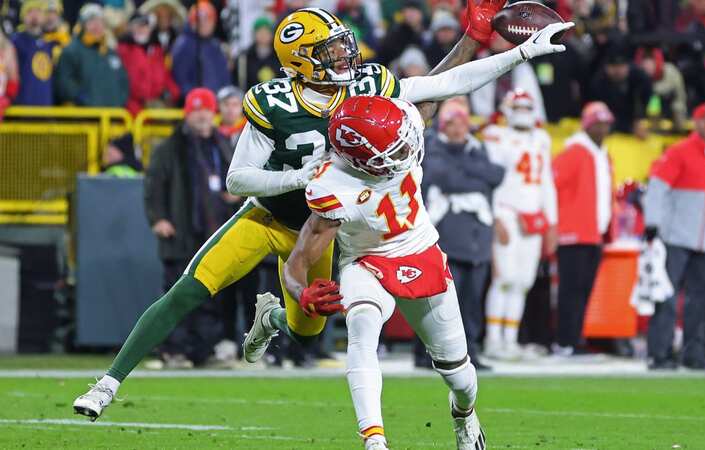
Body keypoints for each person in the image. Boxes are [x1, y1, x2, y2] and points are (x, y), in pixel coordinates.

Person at [73, 2, 569, 420]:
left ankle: (269, 320)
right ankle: (107, 384)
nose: (344, 54)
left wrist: (519, 52)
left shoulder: (368, 85)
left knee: (306, 333)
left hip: (321, 230)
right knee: (187, 292)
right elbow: (236, 178)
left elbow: (445, 85)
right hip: (266, 217)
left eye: (341, 44)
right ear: (300, 62)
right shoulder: (272, 101)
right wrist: (299, 177)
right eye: (329, 51)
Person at [281, 94, 488, 450]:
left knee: (460, 376)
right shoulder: (334, 186)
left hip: (420, 252)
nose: (406, 149)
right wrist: (301, 292)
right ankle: (374, 441)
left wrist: (481, 42)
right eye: (393, 149)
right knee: (361, 325)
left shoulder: (396, 126)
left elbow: (444, 81)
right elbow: (296, 261)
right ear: (360, 160)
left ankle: (464, 415)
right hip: (367, 261)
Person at [143, 88, 239, 368]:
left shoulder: (222, 145)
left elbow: (238, 178)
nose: (201, 115)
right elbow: (153, 188)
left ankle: (204, 350)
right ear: (187, 113)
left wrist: (236, 194)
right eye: (196, 110)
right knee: (176, 295)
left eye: (206, 109)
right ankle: (174, 350)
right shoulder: (170, 147)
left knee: (209, 296)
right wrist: (158, 218)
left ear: (213, 112)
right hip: (180, 231)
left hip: (213, 233)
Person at [643, 103, 705, 370]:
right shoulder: (679, 152)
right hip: (676, 237)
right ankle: (660, 353)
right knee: (666, 296)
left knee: (700, 300)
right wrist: (653, 223)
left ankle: (693, 353)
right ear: (695, 123)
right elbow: (657, 187)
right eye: (704, 120)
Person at [422, 98, 504, 370]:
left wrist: (465, 172)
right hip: (447, 236)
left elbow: (496, 175)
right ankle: (427, 353)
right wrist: (474, 178)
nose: (459, 130)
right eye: (453, 124)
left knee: (472, 300)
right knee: (441, 300)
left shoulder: (475, 149)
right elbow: (443, 177)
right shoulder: (433, 148)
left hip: (476, 238)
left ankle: (471, 353)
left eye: (463, 124)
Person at [482, 89, 557, 361]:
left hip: (533, 215)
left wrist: (552, 222)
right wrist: (495, 217)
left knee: (523, 281)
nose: (524, 111)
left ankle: (510, 341)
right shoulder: (496, 136)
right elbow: (489, 181)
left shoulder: (542, 139)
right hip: (507, 213)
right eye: (519, 106)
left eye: (528, 106)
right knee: (504, 278)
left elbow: (546, 181)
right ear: (507, 108)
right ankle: (493, 340)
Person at [551, 101, 614, 356]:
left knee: (583, 290)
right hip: (572, 233)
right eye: (597, 124)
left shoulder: (602, 154)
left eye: (605, 123)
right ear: (587, 125)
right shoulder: (575, 152)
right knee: (571, 291)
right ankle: (565, 341)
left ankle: (575, 339)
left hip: (593, 233)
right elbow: (552, 183)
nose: (602, 128)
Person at [53, 3, 128, 107]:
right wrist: (84, 99)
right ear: (82, 25)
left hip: (112, 118)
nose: (96, 25)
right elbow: (64, 84)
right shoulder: (71, 51)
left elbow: (123, 83)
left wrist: (118, 102)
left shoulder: (111, 53)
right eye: (91, 21)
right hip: (84, 119)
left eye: (100, 21)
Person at [117, 11, 179, 115]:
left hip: (156, 108)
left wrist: (173, 94)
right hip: (132, 110)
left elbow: (166, 77)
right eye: (137, 26)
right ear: (129, 29)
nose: (142, 29)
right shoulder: (123, 51)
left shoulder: (157, 51)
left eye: (145, 26)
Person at [170, 1, 231, 100]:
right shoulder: (183, 45)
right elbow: (180, 81)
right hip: (195, 105)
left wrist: (223, 98)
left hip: (217, 105)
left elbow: (225, 78)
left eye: (208, 20)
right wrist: (197, 98)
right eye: (200, 20)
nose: (204, 24)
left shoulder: (215, 45)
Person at [11, 0, 57, 106]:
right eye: (30, 11)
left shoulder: (50, 43)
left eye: (38, 11)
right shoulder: (15, 41)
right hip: (22, 108)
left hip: (45, 107)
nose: (34, 15)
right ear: (23, 16)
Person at [233, 17, 282, 90]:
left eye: (266, 32)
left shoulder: (280, 56)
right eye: (260, 32)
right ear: (254, 34)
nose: (263, 35)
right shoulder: (244, 58)